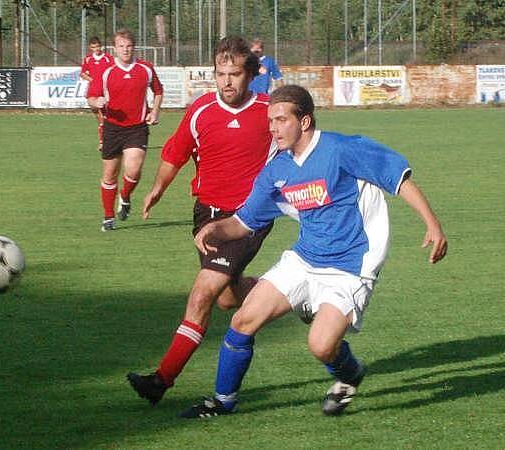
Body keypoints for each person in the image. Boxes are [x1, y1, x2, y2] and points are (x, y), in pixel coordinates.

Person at [179, 85, 448, 418]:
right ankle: (222, 402)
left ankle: (349, 374)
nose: (273, 128)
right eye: (270, 121)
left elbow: (397, 177)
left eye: (280, 120)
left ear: (304, 121)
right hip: (304, 259)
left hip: (351, 266)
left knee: (321, 347)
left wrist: (432, 224)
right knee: (243, 318)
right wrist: (216, 228)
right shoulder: (278, 169)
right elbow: (245, 222)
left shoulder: (341, 149)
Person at [126, 36, 278, 405]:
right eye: (220, 74)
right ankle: (292, 295)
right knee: (227, 298)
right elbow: (176, 153)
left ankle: (160, 381)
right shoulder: (200, 110)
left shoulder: (270, 111)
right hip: (205, 215)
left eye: (235, 74)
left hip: (247, 218)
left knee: (202, 294)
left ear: (252, 74)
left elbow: (303, 152)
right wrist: (158, 189)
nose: (227, 82)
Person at [88, 29, 163, 231]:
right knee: (110, 174)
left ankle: (126, 195)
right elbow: (91, 98)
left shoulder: (145, 68)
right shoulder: (106, 71)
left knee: (133, 169)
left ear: (134, 47)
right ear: (115, 49)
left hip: (137, 128)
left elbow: (158, 90)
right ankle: (108, 216)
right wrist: (97, 101)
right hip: (112, 128)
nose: (125, 50)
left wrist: (155, 112)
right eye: (121, 46)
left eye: (129, 46)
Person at [80, 36, 113, 151]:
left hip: (104, 93)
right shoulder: (88, 59)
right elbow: (83, 73)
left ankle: (102, 142)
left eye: (98, 46)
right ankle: (104, 139)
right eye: (94, 47)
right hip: (92, 92)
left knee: (102, 117)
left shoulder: (108, 58)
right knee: (99, 116)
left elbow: (113, 72)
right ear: (90, 48)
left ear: (101, 47)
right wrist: (92, 80)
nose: (96, 49)